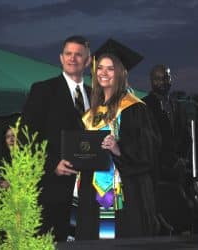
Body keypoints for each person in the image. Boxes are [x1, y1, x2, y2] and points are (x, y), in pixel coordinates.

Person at [76, 45, 157, 240]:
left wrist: (118, 148)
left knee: (120, 237)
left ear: (121, 72)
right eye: (100, 68)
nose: (103, 73)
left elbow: (148, 151)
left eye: (110, 68)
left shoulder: (134, 108)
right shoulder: (90, 114)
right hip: (92, 192)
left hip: (124, 190)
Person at [21, 35, 92, 241]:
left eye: (78, 55)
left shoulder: (95, 95)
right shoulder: (43, 90)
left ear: (87, 61)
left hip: (87, 190)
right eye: (68, 54)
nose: (72, 59)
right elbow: (27, 137)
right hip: (53, 187)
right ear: (61, 58)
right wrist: (51, 164)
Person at [142, 65, 192, 234]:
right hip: (157, 169)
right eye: (158, 78)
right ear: (151, 81)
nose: (162, 81)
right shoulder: (144, 106)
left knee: (182, 212)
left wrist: (182, 160)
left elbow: (186, 137)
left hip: (179, 169)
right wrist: (169, 161)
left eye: (166, 77)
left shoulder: (178, 106)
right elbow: (149, 140)